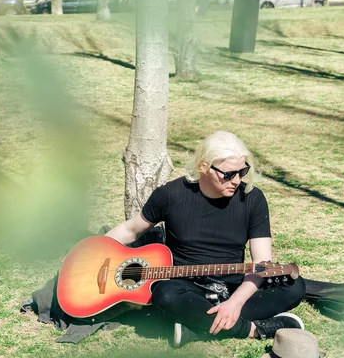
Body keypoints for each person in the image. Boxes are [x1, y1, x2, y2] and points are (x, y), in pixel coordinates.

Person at [106, 131, 306, 347]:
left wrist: (235, 303)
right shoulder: (171, 194)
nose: (237, 181)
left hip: (234, 285)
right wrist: (94, 249)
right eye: (229, 174)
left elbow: (263, 263)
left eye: (242, 171)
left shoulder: (253, 199)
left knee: (295, 286)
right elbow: (131, 230)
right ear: (204, 167)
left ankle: (195, 325)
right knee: (165, 294)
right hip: (185, 287)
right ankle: (252, 329)